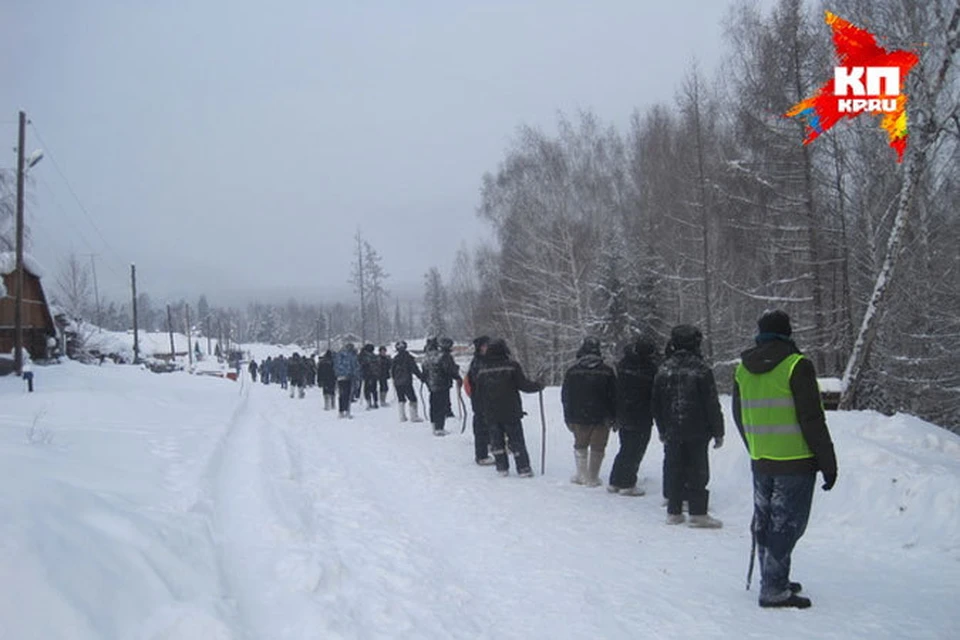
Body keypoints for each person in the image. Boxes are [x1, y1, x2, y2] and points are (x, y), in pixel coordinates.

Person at [733, 310, 838, 609]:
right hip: (795, 459)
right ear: (787, 333)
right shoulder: (796, 365)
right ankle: (774, 587)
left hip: (761, 457)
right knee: (787, 524)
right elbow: (812, 418)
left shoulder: (743, 368)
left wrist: (754, 444)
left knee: (765, 521)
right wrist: (828, 463)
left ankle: (772, 575)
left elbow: (739, 416)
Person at [652, 325, 724, 528]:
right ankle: (698, 512)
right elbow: (711, 402)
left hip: (672, 428)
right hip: (698, 429)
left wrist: (662, 428)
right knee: (698, 470)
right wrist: (718, 430)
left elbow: (655, 403)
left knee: (674, 468)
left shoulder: (664, 369)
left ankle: (674, 511)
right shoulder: (700, 369)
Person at [473, 338, 542, 477]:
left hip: (491, 413)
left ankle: (502, 468)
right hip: (511, 411)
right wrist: (539, 385)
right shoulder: (512, 366)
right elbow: (524, 385)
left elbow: (478, 393)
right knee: (516, 440)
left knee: (496, 441)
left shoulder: (482, 370)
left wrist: (481, 410)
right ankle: (523, 468)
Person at [561, 337, 617, 487]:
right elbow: (614, 396)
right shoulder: (607, 371)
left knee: (580, 444)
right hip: (602, 416)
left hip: (579, 415)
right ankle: (593, 477)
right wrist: (614, 416)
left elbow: (566, 396)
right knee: (598, 446)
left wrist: (568, 416)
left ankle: (581, 475)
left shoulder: (572, 372)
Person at [608, 335, 660, 496]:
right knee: (636, 449)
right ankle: (627, 483)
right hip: (641, 413)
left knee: (625, 447)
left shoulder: (624, 364)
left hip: (623, 412)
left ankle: (616, 479)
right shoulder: (650, 369)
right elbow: (654, 393)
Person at [421, 337, 462, 436]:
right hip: (442, 384)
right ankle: (440, 427)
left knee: (434, 405)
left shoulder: (427, 357)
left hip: (432, 384)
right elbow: (449, 369)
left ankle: (434, 425)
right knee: (441, 405)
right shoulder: (443, 356)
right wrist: (457, 376)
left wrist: (426, 381)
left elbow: (424, 371)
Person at [464, 335, 495, 465]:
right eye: (484, 345)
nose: (487, 348)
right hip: (480, 400)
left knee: (488, 424)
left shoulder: (481, 361)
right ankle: (481, 455)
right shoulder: (479, 363)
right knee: (481, 426)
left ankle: (488, 446)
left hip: (485, 399)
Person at [390, 341, 424, 423]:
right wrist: (421, 377)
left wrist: (394, 379)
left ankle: (402, 416)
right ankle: (414, 416)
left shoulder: (395, 359)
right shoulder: (408, 357)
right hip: (406, 381)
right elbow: (414, 369)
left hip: (397, 382)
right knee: (412, 398)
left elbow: (392, 371)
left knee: (401, 399)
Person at [333, 343, 361, 418]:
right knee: (348, 394)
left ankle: (341, 411)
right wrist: (357, 376)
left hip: (340, 377)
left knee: (341, 394)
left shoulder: (339, 355)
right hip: (349, 377)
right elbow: (355, 366)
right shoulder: (351, 355)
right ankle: (347, 411)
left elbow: (335, 365)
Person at [359, 343, 381, 409]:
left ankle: (368, 402)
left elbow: (360, 364)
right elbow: (378, 365)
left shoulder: (363, 356)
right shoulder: (374, 356)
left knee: (367, 389)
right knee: (374, 389)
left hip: (366, 374)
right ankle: (375, 402)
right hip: (374, 374)